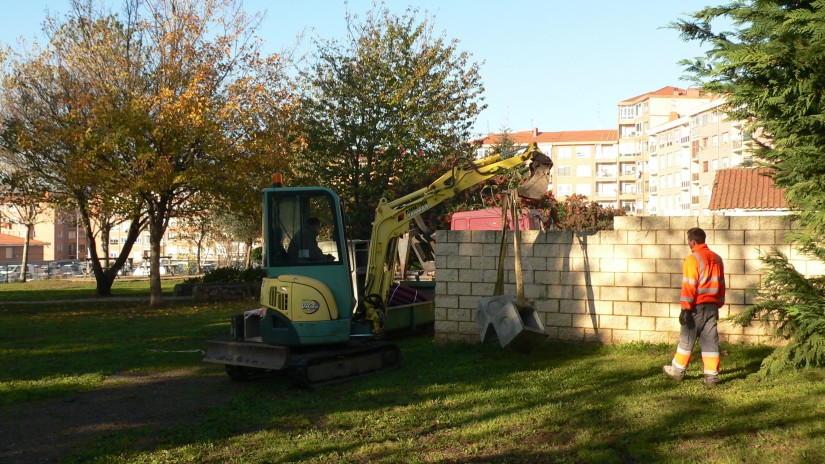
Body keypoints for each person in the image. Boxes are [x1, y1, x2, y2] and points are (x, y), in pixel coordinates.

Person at [663, 227, 725, 386]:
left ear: (692, 241)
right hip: (712, 307)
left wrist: (685, 308)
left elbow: (690, 285)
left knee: (687, 339)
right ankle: (711, 377)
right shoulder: (717, 258)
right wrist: (719, 303)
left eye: (688, 241)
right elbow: (722, 284)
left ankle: (677, 371)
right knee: (710, 341)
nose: (688, 244)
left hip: (696, 307)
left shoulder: (692, 259)